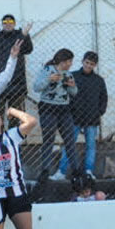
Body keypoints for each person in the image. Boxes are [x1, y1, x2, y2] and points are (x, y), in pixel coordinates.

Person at [57, 51, 108, 179]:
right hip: (74, 117)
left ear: (95, 65)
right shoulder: (72, 76)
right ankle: (61, 172)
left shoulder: (99, 80)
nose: (88, 66)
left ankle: (89, 171)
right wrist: (67, 112)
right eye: (87, 63)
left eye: (91, 64)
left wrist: (99, 112)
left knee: (91, 146)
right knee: (68, 144)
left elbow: (104, 98)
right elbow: (64, 94)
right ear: (82, 61)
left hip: (92, 118)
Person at [33, 48, 78, 182]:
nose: (70, 64)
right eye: (69, 61)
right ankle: (45, 171)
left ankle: (76, 171)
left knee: (70, 141)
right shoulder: (47, 70)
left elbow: (74, 93)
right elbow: (36, 87)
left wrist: (72, 86)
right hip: (48, 108)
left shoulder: (68, 74)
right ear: (62, 61)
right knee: (48, 140)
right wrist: (49, 80)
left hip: (64, 109)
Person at [0, 15, 34, 126]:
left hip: (17, 82)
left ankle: (13, 140)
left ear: (14, 23)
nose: (8, 24)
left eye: (10, 21)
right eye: (5, 22)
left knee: (15, 116)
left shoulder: (20, 35)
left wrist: (25, 35)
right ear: (2, 24)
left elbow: (28, 49)